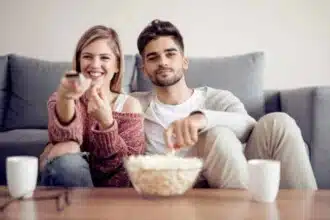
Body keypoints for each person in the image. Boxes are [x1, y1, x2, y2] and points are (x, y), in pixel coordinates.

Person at [131, 19, 318, 189]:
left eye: (170, 54)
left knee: (279, 122)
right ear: (145, 70)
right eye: (153, 58)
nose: (163, 62)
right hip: (184, 186)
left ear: (185, 62)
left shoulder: (217, 98)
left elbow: (249, 125)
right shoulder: (134, 104)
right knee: (217, 134)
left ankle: (308, 212)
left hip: (236, 173)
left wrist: (201, 119)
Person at [39, 25, 145, 187]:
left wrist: (107, 125)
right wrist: (66, 100)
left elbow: (130, 168)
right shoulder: (61, 98)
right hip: (68, 180)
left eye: (104, 58)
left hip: (114, 190)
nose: (95, 65)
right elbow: (63, 142)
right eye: (88, 57)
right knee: (66, 147)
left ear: (117, 65)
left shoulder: (129, 106)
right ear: (79, 62)